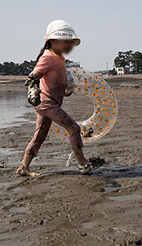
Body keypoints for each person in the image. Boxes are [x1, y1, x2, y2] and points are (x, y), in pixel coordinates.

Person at [17, 20, 103, 177]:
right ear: (53, 41)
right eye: (66, 42)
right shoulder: (48, 57)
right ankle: (83, 164)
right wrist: (33, 86)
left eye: (71, 42)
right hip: (46, 103)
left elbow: (51, 81)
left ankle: (24, 167)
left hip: (49, 103)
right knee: (74, 128)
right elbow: (35, 75)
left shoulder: (59, 59)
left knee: (40, 136)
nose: (69, 46)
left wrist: (63, 91)